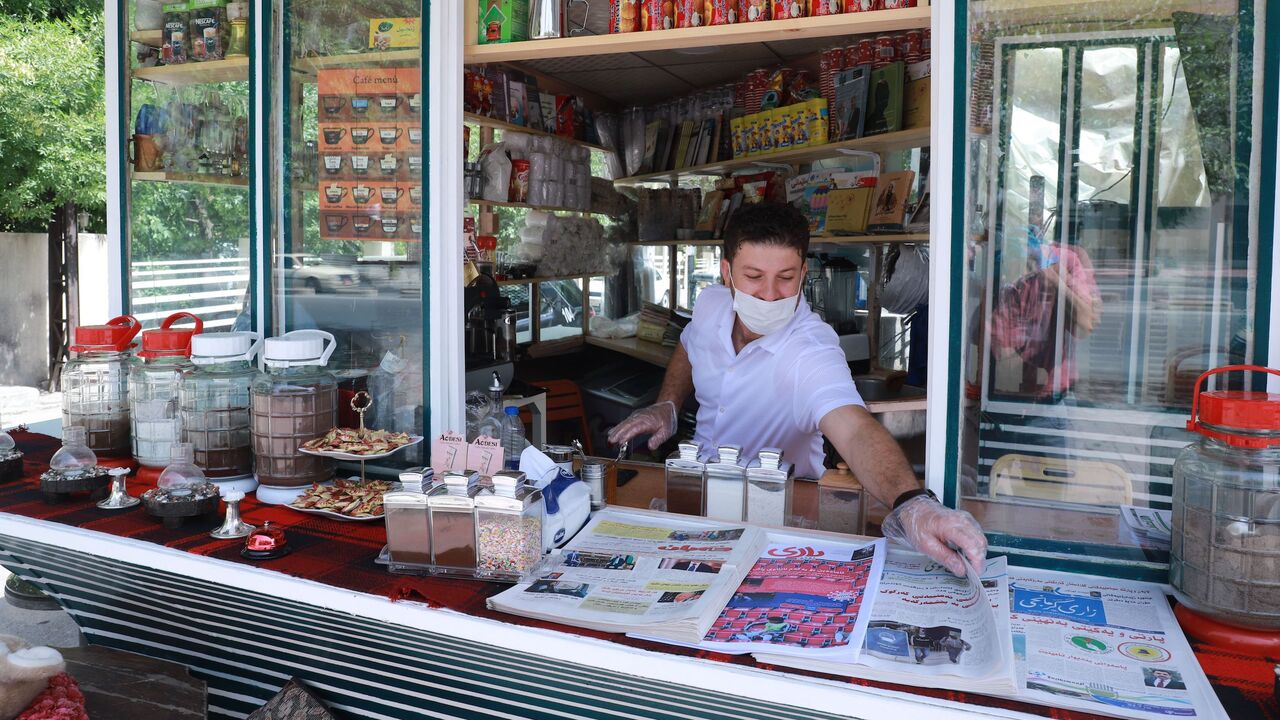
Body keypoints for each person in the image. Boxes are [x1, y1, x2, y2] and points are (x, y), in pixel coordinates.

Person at [607, 203, 986, 576]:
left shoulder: (811, 349)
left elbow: (854, 430)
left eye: (785, 277)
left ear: (804, 273)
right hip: (697, 497)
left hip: (776, 517)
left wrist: (912, 503)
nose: (770, 294)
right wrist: (668, 404)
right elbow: (690, 345)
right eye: (754, 276)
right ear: (727, 273)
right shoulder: (710, 303)